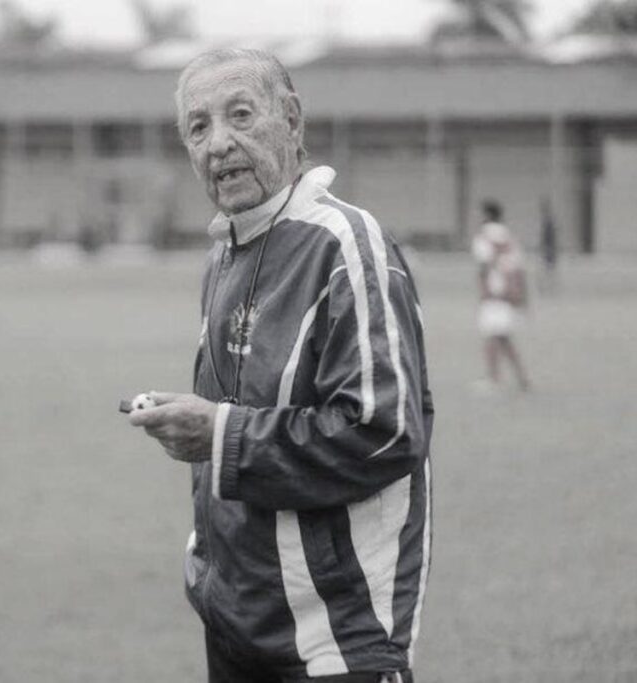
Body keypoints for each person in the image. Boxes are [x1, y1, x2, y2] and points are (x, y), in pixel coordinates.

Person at [129, 48, 434, 682]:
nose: (220, 144)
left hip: (334, 644)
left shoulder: (347, 245)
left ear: (291, 120)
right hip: (238, 625)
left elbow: (387, 431)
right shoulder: (225, 257)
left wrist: (219, 433)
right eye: (198, 126)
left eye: (240, 115)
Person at [472, 200, 530, 392]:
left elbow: (484, 264)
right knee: (503, 336)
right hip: (510, 291)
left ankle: (493, 378)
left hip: (494, 291)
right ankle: (521, 378)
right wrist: (521, 293)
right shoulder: (509, 236)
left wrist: (483, 288)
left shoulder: (483, 237)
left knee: (491, 336)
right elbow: (519, 267)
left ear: (486, 215)